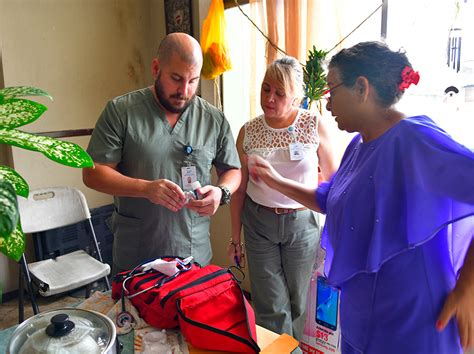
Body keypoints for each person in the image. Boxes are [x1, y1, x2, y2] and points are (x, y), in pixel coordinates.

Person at [247, 42, 474, 353]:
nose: (327, 105)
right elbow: (331, 199)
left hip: (412, 316)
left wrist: (468, 286)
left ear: (362, 88)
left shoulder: (415, 138)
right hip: (362, 315)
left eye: (332, 91)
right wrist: (275, 180)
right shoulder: (359, 145)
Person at [83, 33, 241, 275]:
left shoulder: (212, 119)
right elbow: (92, 173)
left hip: (192, 251)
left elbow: (232, 170)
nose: (185, 90)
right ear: (156, 68)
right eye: (176, 78)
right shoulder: (122, 112)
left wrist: (222, 192)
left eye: (193, 81)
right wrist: (145, 188)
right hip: (138, 253)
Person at [228, 56, 337, 340]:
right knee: (269, 303)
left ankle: (293, 347)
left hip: (302, 223)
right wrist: (234, 237)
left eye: (279, 93)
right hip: (258, 222)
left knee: (299, 301)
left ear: (296, 97)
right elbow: (239, 188)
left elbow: (334, 182)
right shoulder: (248, 131)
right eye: (266, 89)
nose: (270, 98)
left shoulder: (313, 125)